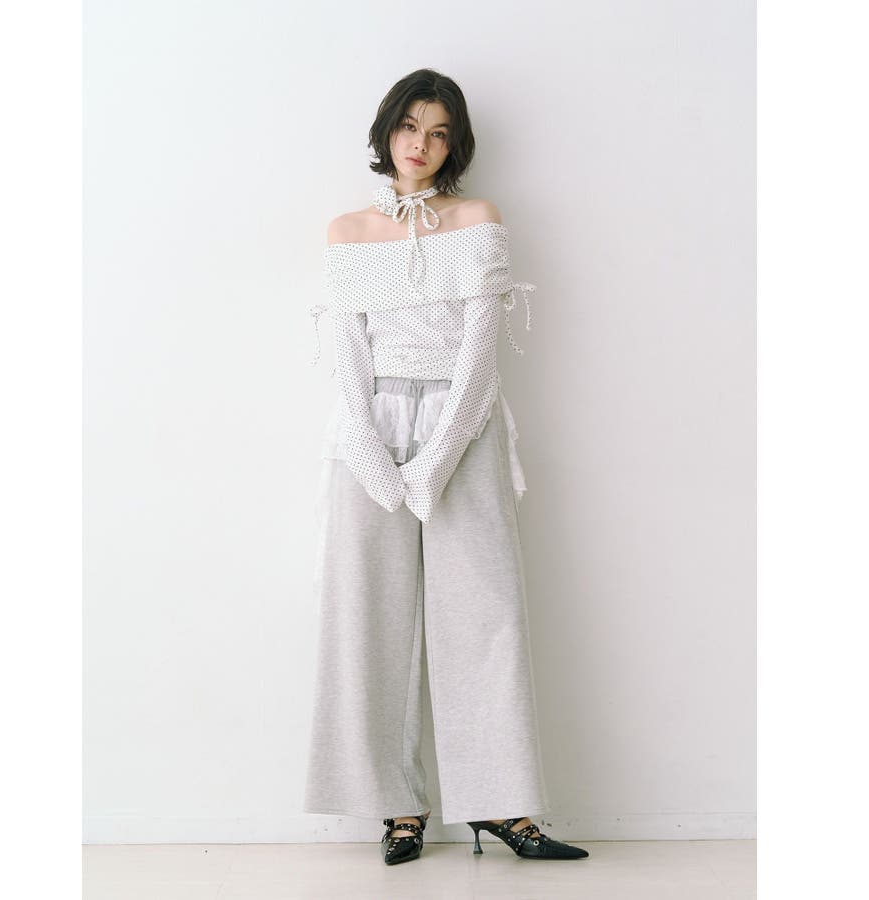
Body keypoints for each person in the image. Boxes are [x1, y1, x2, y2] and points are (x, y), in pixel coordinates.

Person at [303, 68, 589, 866]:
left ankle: (500, 806)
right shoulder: (348, 231)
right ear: (386, 131)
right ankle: (397, 806)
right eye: (408, 127)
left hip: (464, 429)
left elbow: (480, 354)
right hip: (369, 429)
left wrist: (437, 459)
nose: (420, 145)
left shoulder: (477, 219)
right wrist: (372, 454)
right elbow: (347, 353)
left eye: (437, 132)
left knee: (485, 615)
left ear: (454, 143)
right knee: (368, 617)